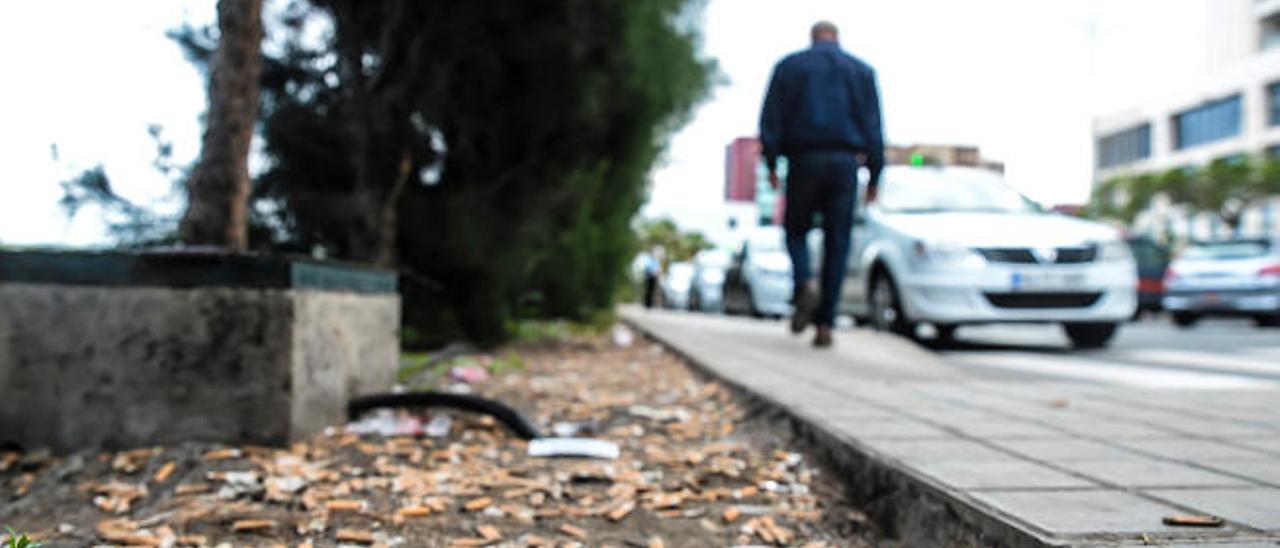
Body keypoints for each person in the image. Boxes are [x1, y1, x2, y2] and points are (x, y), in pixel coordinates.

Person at [759, 20, 884, 348]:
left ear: (811, 37)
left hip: (804, 160)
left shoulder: (790, 67)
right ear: (837, 39)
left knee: (796, 229)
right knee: (837, 242)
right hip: (845, 164)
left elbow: (771, 119)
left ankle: (804, 283)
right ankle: (825, 323)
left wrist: (771, 163)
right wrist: (875, 175)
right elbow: (874, 126)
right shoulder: (861, 71)